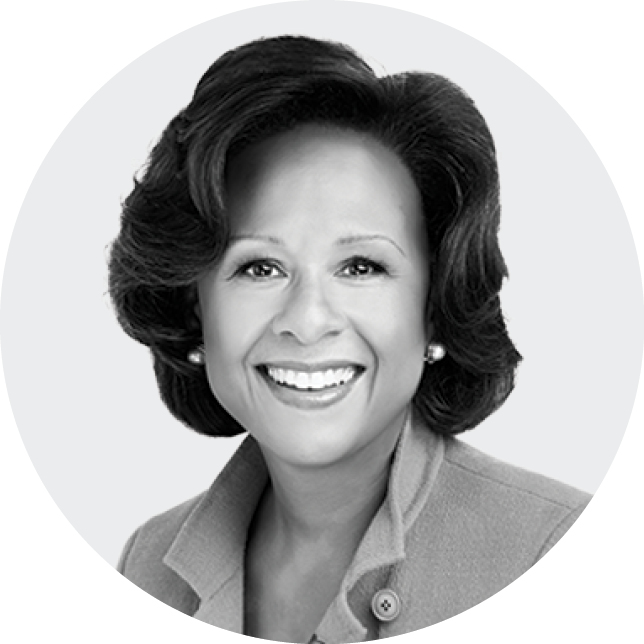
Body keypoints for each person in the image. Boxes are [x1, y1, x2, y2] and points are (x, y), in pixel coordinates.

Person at [109, 35, 591, 643]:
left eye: (361, 267)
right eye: (260, 267)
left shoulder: (559, 552)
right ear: (193, 308)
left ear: (435, 308)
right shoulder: (148, 567)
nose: (307, 321)